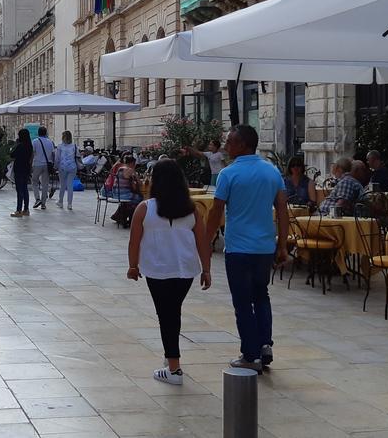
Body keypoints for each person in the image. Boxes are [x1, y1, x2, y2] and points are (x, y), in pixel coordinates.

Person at [204, 125, 289, 372]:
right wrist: (282, 244)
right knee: (261, 295)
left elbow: (216, 210)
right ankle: (264, 345)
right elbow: (282, 210)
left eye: (230, 141)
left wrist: (206, 242)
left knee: (242, 302)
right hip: (264, 247)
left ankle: (249, 355)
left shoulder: (228, 174)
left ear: (243, 145)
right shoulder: (272, 171)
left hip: (239, 248)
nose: (226, 146)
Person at [127, 159, 209, 385]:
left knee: (167, 315)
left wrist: (133, 266)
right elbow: (203, 242)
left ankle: (174, 368)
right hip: (185, 271)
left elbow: (134, 241)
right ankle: (170, 358)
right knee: (173, 312)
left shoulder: (145, 208)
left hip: (157, 270)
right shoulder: (192, 210)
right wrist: (207, 270)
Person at [107, 155, 144, 228]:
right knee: (140, 198)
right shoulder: (130, 170)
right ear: (132, 163)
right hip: (123, 194)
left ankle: (120, 216)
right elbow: (139, 183)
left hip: (115, 193)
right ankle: (131, 219)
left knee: (130, 201)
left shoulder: (120, 168)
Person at [31, 126, 55, 210]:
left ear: (38, 133)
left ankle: (37, 199)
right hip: (47, 165)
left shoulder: (35, 141)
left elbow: (32, 153)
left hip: (37, 164)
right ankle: (43, 204)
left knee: (34, 182)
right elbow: (53, 154)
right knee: (45, 184)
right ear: (46, 133)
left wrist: (30, 164)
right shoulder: (50, 142)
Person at [10, 130, 33, 218]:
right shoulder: (29, 146)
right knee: (25, 189)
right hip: (26, 169)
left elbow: (12, 154)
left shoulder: (20, 146)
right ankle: (26, 209)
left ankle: (19, 210)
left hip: (19, 169)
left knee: (19, 190)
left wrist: (16, 145)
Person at [56, 131, 80, 210]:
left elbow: (57, 159)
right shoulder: (75, 146)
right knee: (70, 186)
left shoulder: (59, 146)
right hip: (72, 167)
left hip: (62, 167)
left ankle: (60, 202)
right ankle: (69, 204)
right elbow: (78, 156)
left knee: (62, 185)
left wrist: (55, 166)